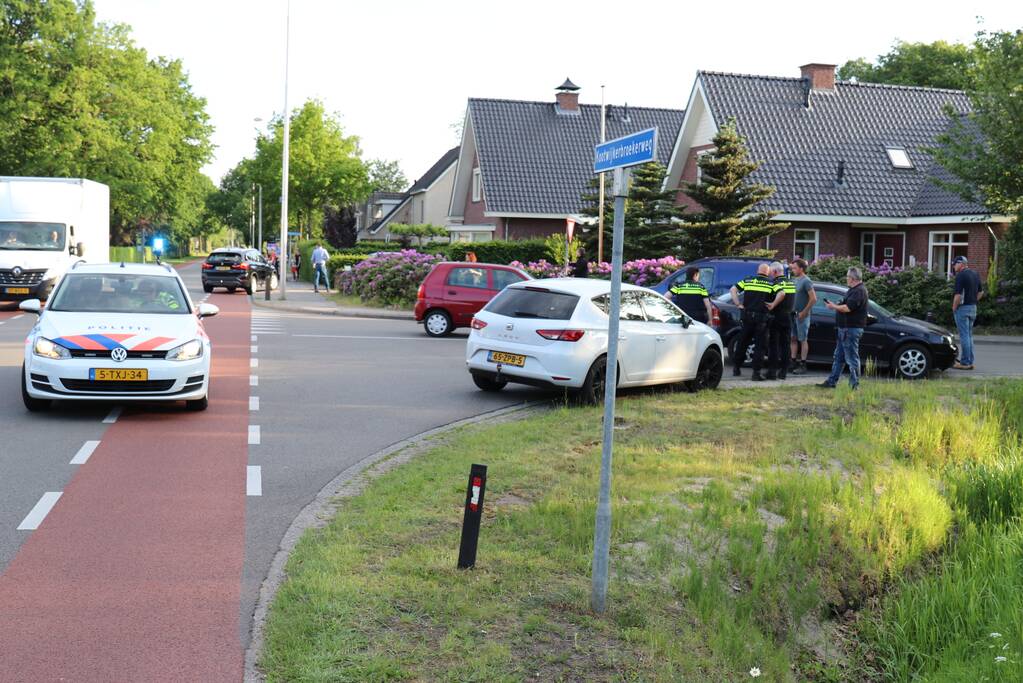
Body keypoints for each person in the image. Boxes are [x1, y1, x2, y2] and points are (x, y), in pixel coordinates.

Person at [818, 267, 868, 390]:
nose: (846, 279)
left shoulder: (859, 291)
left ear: (853, 278)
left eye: (847, 277)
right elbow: (844, 304)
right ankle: (832, 381)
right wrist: (835, 304)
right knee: (839, 357)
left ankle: (854, 385)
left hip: (851, 329)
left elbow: (848, 308)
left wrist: (834, 307)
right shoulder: (853, 290)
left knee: (851, 358)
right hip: (844, 329)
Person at [729, 263, 775, 381]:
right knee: (760, 346)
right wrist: (773, 305)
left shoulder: (748, 280)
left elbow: (733, 289)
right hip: (762, 319)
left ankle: (736, 368)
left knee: (742, 343)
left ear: (757, 271)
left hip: (747, 317)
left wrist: (738, 304)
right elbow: (782, 294)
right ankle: (756, 373)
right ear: (768, 272)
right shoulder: (771, 284)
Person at [764, 261, 795, 380]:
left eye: (771, 272)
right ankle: (783, 372)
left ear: (775, 272)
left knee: (774, 345)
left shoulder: (775, 284)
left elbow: (780, 295)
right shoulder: (791, 283)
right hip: (788, 317)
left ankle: (772, 372)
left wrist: (772, 304)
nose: (770, 275)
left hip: (776, 317)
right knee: (786, 345)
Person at [951, 255, 982, 370]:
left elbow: (958, 295)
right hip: (973, 308)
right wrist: (973, 301)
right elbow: (981, 292)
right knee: (969, 335)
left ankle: (964, 363)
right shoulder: (975, 274)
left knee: (964, 336)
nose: (953, 266)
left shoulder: (960, 276)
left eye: (955, 264)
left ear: (961, 264)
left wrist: (954, 307)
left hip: (962, 309)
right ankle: (970, 361)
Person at [787, 258, 816, 375]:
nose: (793, 270)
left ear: (801, 269)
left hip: (802, 316)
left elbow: (813, 299)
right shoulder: (794, 280)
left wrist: (804, 312)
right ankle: (792, 362)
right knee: (793, 338)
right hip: (792, 315)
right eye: (792, 268)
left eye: (795, 268)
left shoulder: (806, 281)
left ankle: (803, 364)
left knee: (802, 339)